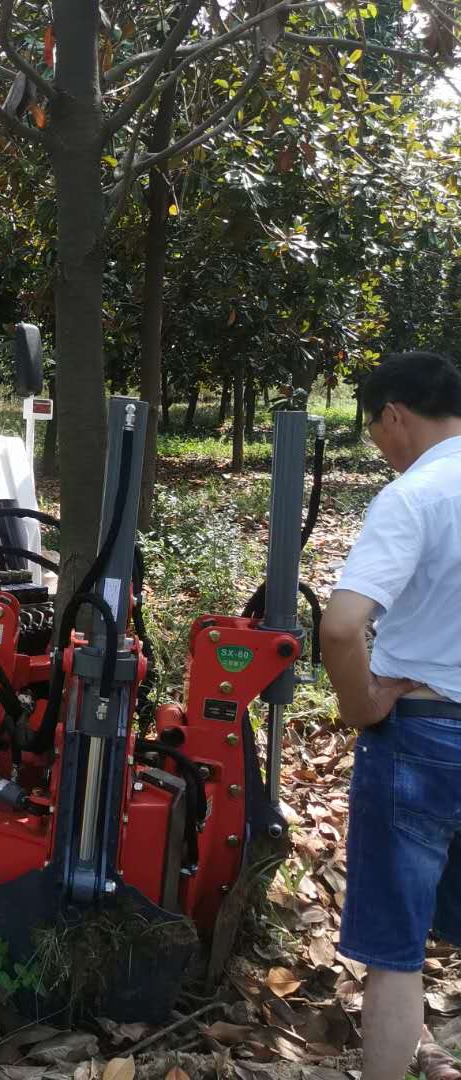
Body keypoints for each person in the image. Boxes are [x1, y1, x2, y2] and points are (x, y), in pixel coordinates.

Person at [321, 351, 461, 1080]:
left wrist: (362, 705)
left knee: (395, 949)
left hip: (424, 737)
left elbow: (343, 626)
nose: (380, 445)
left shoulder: (416, 495)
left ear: (396, 415)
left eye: (374, 429)